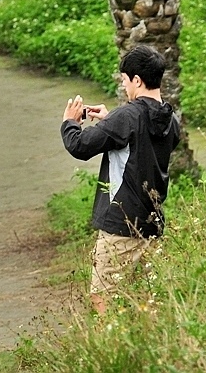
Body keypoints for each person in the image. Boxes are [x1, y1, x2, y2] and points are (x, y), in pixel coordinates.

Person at [60, 46, 180, 316]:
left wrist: (69, 122)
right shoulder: (170, 120)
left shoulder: (126, 117)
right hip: (152, 222)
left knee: (104, 297)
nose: (125, 86)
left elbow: (80, 146)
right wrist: (109, 119)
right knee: (145, 302)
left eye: (125, 80)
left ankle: (113, 351)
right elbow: (142, 139)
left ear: (137, 80)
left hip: (121, 223)